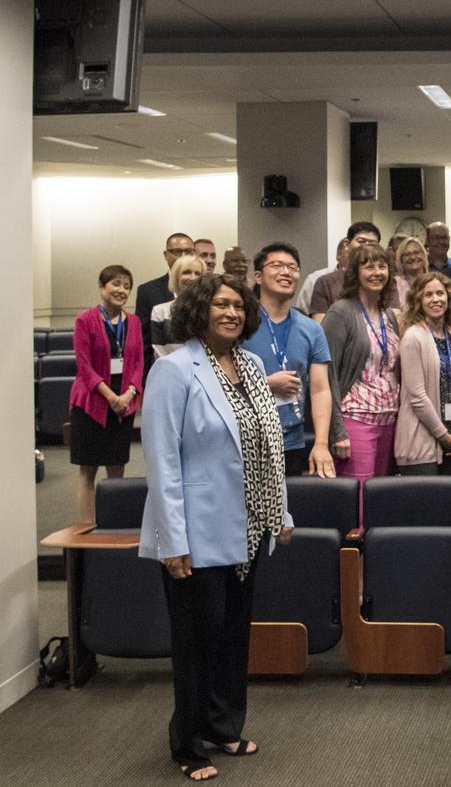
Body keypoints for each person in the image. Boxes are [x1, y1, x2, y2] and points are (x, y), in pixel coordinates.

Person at [139, 274, 292, 782]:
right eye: (220, 304)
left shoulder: (250, 365)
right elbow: (162, 462)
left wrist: (280, 513)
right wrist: (171, 540)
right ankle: (188, 745)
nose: (231, 312)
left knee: (231, 636)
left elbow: (267, 445)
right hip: (195, 530)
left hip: (247, 527)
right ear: (199, 310)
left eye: (238, 306)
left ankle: (224, 725)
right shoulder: (175, 369)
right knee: (196, 642)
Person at [243, 243, 336, 478]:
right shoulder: (240, 323)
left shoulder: (312, 329)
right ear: (258, 276)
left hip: (292, 441)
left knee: (286, 510)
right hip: (245, 440)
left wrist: (321, 443)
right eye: (276, 266)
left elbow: (320, 389)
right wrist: (265, 385)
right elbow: (219, 382)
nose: (286, 272)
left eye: (292, 267)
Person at [321, 243, 401, 512]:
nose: (377, 272)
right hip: (355, 419)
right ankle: (354, 553)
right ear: (355, 272)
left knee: (382, 498)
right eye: (368, 266)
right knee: (360, 501)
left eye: (382, 266)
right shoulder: (341, 312)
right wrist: (337, 430)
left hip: (389, 417)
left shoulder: (389, 315)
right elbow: (327, 375)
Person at [69, 265, 144, 523]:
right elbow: (84, 367)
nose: (121, 290)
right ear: (102, 287)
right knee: (88, 471)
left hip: (124, 406)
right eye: (116, 284)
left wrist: (128, 394)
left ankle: (113, 524)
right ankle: (87, 527)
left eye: (126, 286)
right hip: (91, 404)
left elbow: (137, 364)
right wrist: (111, 397)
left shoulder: (133, 322)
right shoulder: (85, 320)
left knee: (117, 468)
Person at [395, 272, 451, 475]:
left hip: (449, 442)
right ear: (418, 300)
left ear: (448, 297)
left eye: (440, 293)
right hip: (420, 443)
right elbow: (417, 397)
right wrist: (445, 437)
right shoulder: (413, 336)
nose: (436, 299)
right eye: (428, 295)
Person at [136, 232, 195, 376]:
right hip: (164, 371)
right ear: (165, 255)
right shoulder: (148, 291)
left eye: (188, 251)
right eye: (176, 252)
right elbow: (144, 343)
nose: (183, 256)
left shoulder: (209, 291)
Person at [310, 222, 381, 321]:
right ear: (347, 244)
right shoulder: (325, 282)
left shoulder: (382, 280)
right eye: (361, 241)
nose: (366, 247)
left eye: (372, 243)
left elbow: (394, 319)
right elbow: (320, 327)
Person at [150, 254, 207, 359]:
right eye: (186, 272)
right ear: (176, 277)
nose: (192, 278)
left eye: (197, 273)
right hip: (171, 371)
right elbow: (160, 352)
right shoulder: (160, 311)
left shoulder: (210, 310)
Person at [297, 237, 347, 315]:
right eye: (350, 253)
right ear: (338, 255)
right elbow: (300, 314)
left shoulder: (366, 282)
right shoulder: (314, 279)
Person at [392, 236, 428, 307]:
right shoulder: (394, 283)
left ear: (424, 255)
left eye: (416, 252)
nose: (413, 257)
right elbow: (393, 313)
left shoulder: (434, 280)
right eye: (407, 254)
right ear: (401, 260)